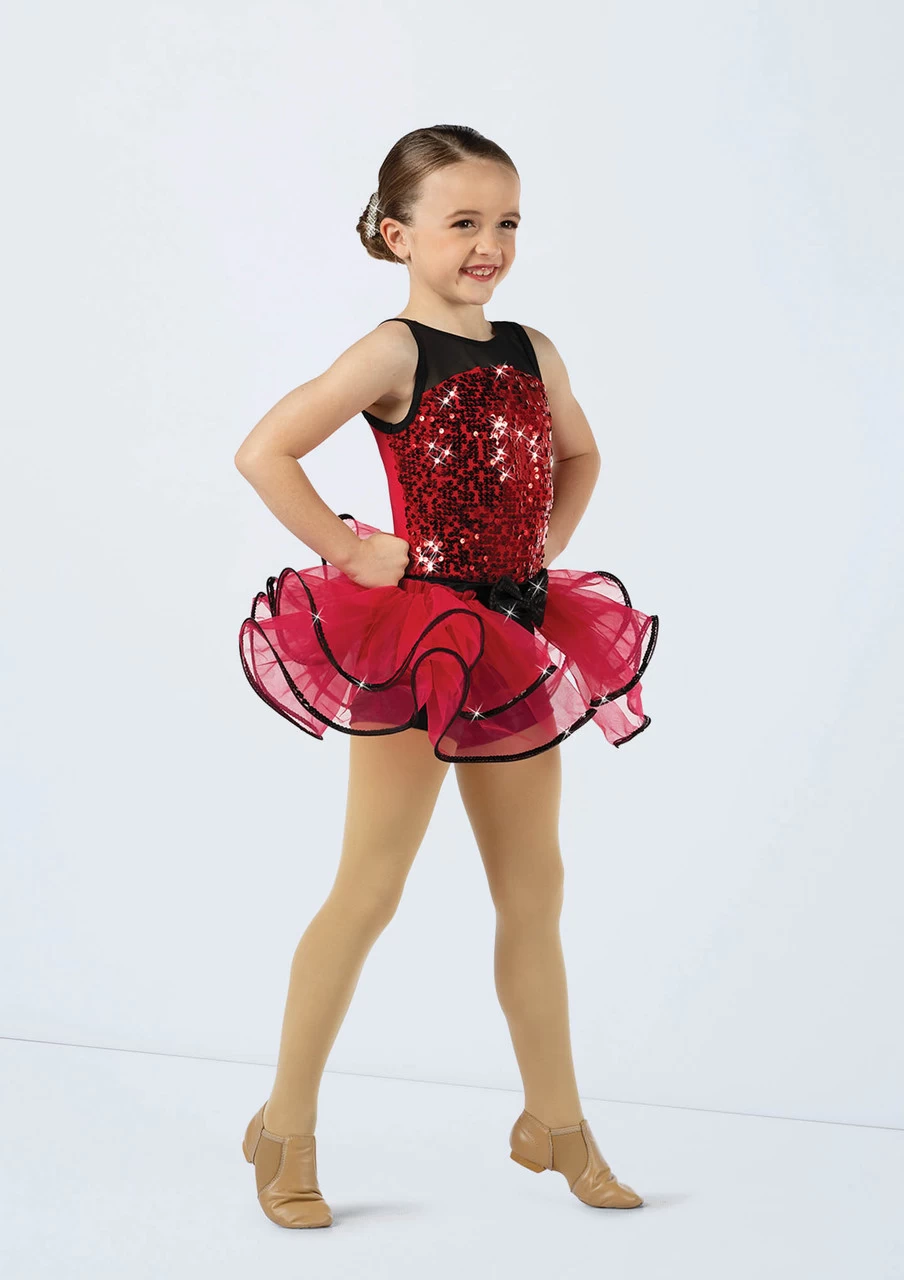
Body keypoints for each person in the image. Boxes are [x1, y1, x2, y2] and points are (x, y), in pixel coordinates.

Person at [234, 123, 658, 1229]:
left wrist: (544, 546)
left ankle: (556, 1122)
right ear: (397, 234)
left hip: (511, 634)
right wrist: (348, 548)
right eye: (462, 222)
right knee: (370, 889)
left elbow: (580, 453)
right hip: (419, 640)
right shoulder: (393, 352)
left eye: (506, 221)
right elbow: (264, 450)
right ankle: (284, 1125)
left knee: (535, 890)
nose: (489, 246)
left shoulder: (531, 349)